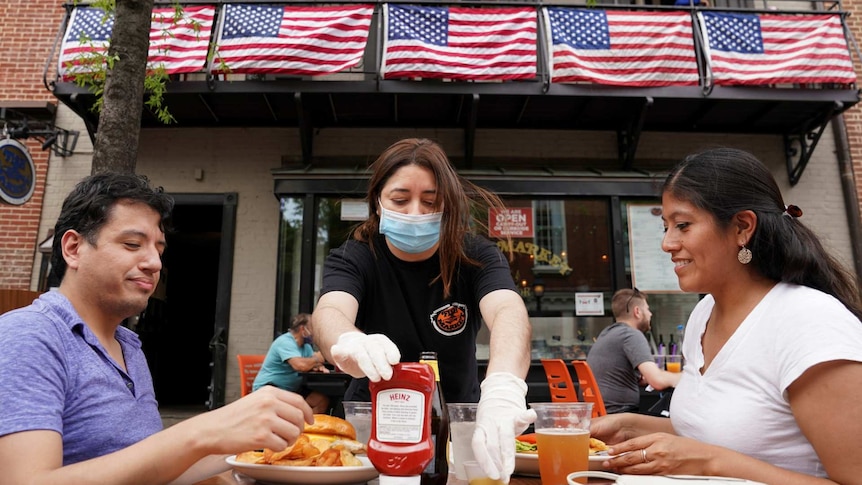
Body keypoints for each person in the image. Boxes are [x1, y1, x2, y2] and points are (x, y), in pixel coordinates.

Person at [0, 173, 314, 485]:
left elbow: (144, 471)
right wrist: (200, 432)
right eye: (132, 244)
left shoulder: (128, 347)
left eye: (159, 250)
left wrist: (252, 443)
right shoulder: (29, 335)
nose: (154, 262)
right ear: (73, 247)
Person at [590, 148, 862, 483]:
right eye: (665, 226)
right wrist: (627, 426)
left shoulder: (810, 323)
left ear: (742, 227)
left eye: (683, 225)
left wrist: (709, 463)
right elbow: (718, 433)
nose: (667, 243)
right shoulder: (704, 314)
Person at [311, 138, 535, 482]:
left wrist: (504, 388)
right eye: (400, 200)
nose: (415, 213)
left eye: (431, 202)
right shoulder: (354, 257)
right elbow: (329, 311)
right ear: (377, 202)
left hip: (458, 425)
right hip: (373, 421)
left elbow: (508, 310)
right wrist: (348, 341)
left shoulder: (475, 256)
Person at [587, 288, 681, 414]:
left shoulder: (606, 334)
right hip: (619, 415)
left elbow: (627, 376)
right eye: (647, 309)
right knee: (673, 426)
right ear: (637, 311)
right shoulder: (630, 335)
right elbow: (657, 381)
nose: (650, 314)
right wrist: (686, 376)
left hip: (600, 414)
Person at [254, 313, 331, 413]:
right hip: (271, 388)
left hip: (292, 389)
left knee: (321, 400)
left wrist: (318, 366)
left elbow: (309, 363)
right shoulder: (285, 342)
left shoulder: (306, 346)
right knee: (293, 406)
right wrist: (317, 359)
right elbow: (300, 365)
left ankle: (305, 428)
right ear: (303, 329)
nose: (315, 332)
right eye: (313, 328)